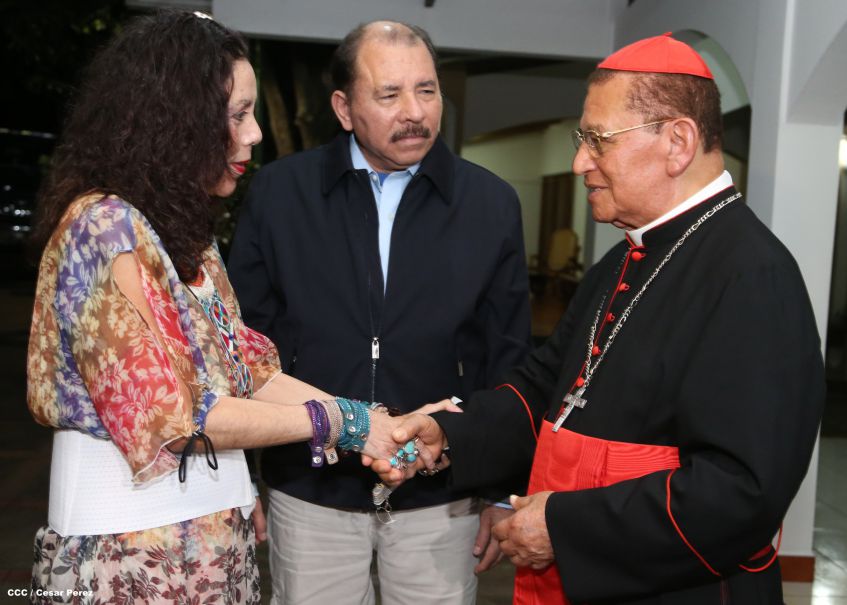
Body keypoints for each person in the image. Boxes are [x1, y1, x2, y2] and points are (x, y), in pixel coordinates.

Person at [374, 33, 826, 604]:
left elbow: (739, 493)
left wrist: (564, 526)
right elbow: (547, 390)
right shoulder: (624, 257)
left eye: (597, 140)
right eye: (581, 139)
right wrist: (452, 434)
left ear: (677, 141)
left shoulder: (753, 276)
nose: (579, 161)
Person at [25, 11, 421, 604]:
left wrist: (369, 419)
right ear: (176, 120)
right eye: (238, 113)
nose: (256, 132)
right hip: (130, 554)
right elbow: (178, 421)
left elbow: (248, 373)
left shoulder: (187, 233)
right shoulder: (106, 228)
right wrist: (342, 423)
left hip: (208, 542)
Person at [227, 19, 531, 605]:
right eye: (389, 95)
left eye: (427, 90)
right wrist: (240, 479)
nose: (414, 112)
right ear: (344, 108)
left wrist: (500, 490)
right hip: (309, 488)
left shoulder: (490, 203)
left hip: (441, 497)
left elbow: (509, 355)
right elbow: (243, 348)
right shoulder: (281, 194)